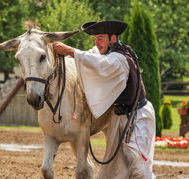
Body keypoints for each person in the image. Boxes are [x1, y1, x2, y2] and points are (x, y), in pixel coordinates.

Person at [53, 20, 156, 179]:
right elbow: (91, 58)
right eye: (95, 39)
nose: (97, 43)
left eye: (100, 38)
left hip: (137, 116)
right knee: (114, 171)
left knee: (139, 165)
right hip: (118, 117)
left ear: (113, 38)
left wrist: (71, 51)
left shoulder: (119, 58)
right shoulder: (105, 54)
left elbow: (101, 65)